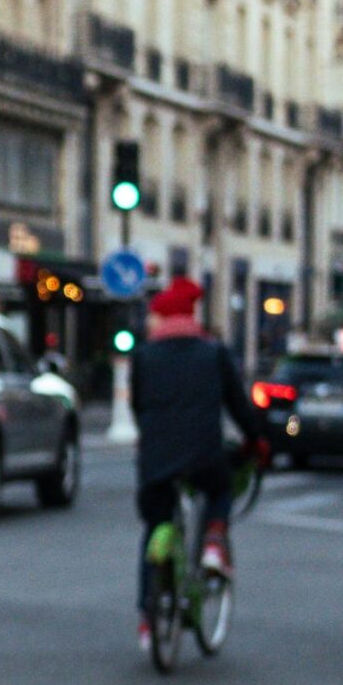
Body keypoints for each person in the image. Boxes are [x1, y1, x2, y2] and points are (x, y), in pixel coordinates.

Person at [131, 276, 264, 648]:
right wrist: (256, 439)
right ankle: (214, 543)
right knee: (219, 488)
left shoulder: (143, 356)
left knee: (154, 526)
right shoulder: (214, 352)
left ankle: (147, 617)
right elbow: (238, 406)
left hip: (155, 459)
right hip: (204, 454)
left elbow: (138, 407)